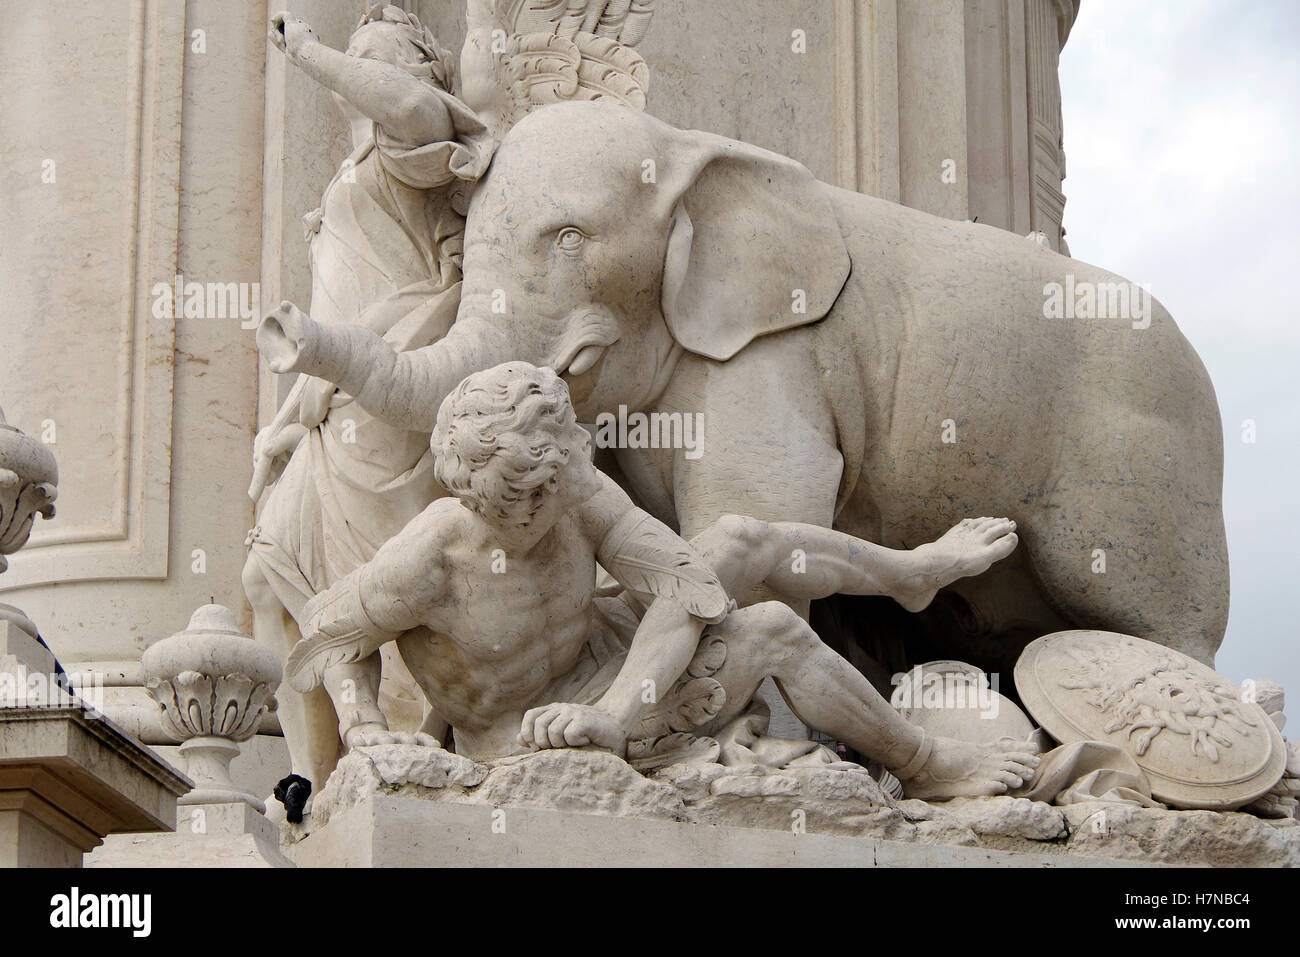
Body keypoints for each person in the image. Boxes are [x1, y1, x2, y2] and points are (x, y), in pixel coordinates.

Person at [287, 363, 1040, 800]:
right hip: (527, 738)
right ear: (523, 498)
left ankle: (911, 574)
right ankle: (927, 764)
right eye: (567, 471)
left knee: (740, 538)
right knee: (775, 629)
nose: (588, 468)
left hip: (612, 681)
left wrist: (625, 695)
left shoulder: (573, 489)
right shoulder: (430, 558)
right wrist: (365, 731)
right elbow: (328, 639)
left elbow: (686, 579)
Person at [242, 6, 492, 800]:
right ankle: (325, 773)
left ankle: (411, 746)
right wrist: (282, 423)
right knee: (264, 576)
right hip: (332, 401)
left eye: (375, 52)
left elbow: (414, 108)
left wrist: (309, 52)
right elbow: (334, 317)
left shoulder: (413, 145)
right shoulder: (356, 169)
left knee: (386, 598)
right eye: (354, 51)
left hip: (388, 396)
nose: (359, 60)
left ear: (417, 66)